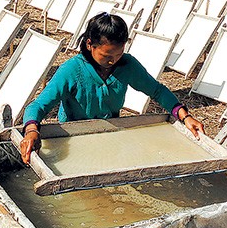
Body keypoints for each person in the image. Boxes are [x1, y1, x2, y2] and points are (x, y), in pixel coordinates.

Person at [19, 12, 205, 165]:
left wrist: (184, 116)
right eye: (107, 55)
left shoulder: (127, 65)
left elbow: (157, 90)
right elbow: (38, 106)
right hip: (73, 137)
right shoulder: (71, 70)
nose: (113, 60)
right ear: (89, 44)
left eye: (118, 53)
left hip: (110, 135)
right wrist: (32, 131)